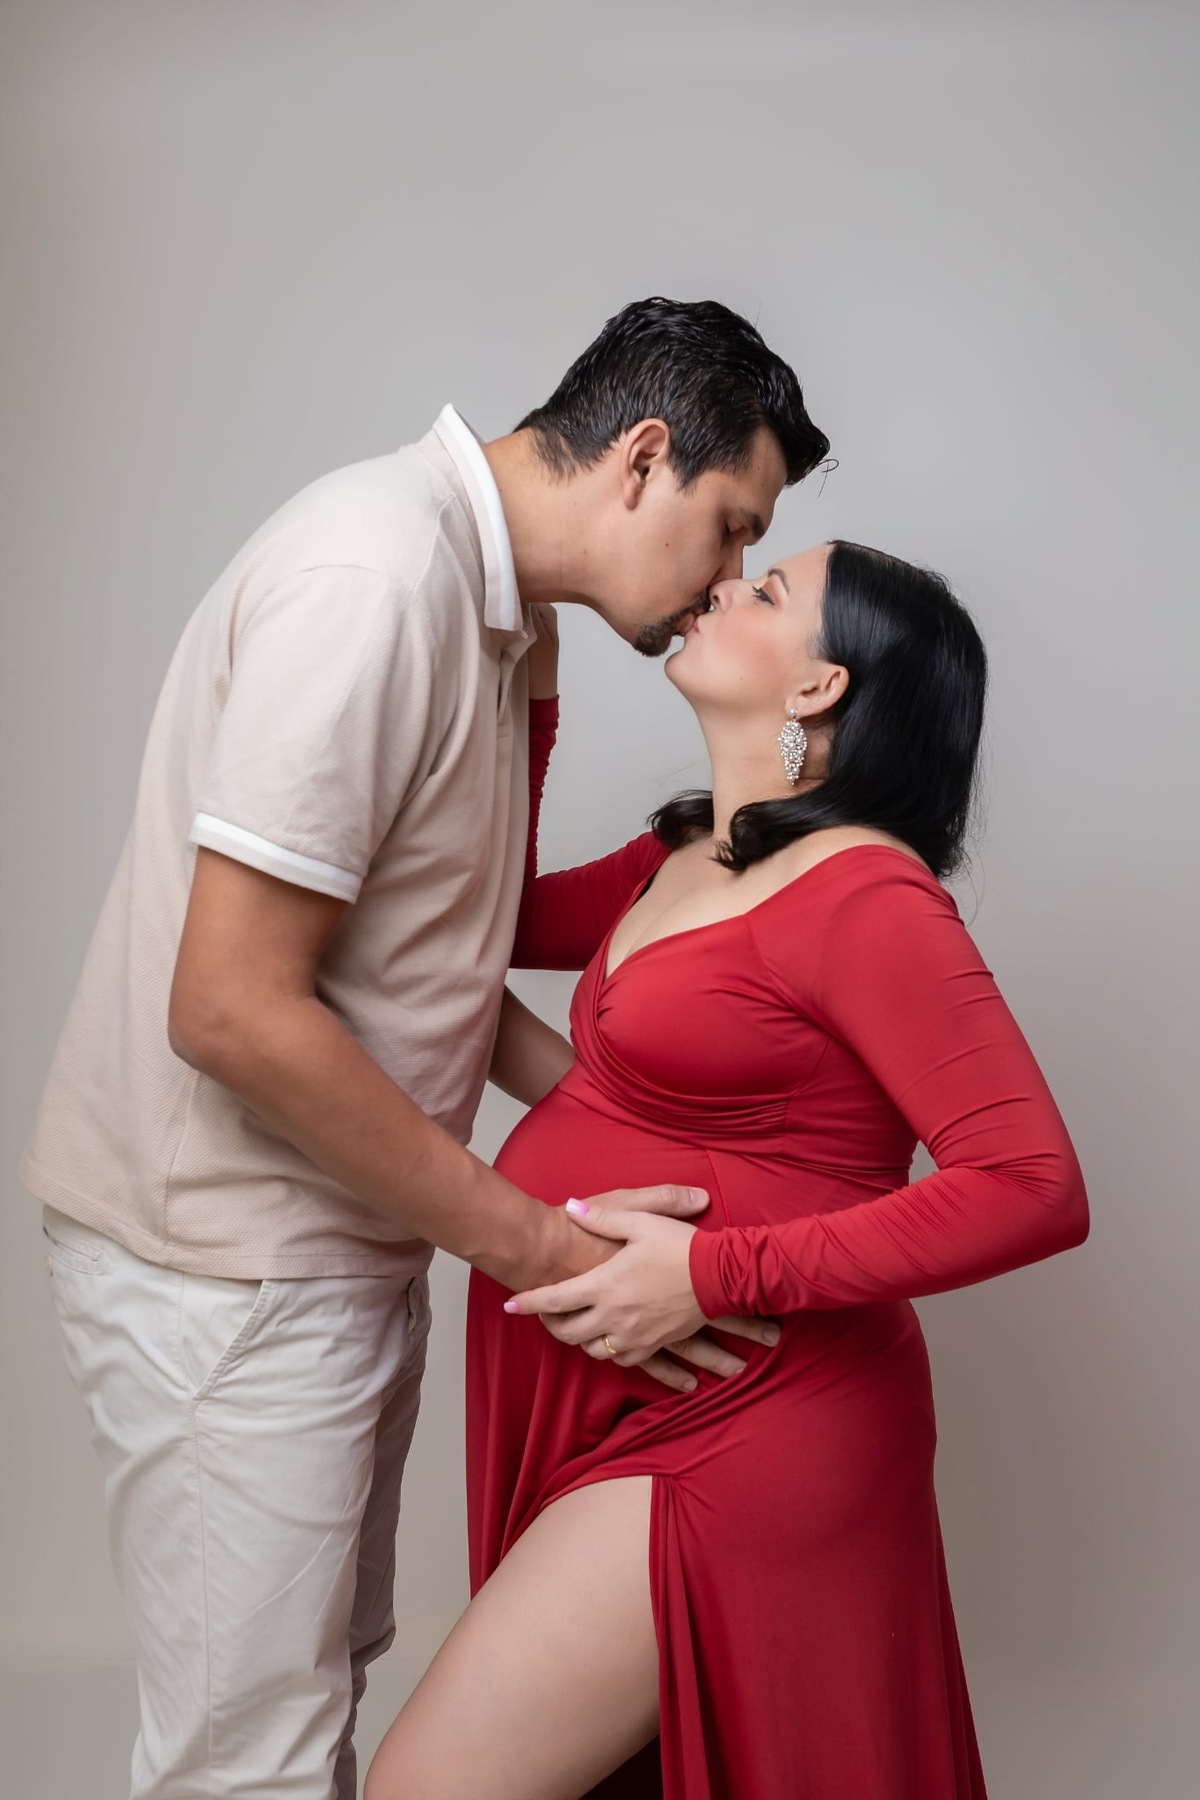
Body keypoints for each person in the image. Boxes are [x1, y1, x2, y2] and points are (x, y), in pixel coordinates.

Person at [25, 298, 830, 1800]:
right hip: (229, 1268)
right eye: (730, 530)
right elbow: (232, 1007)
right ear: (643, 458)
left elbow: (423, 960)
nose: (727, 580)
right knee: (244, 1764)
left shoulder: (494, 611)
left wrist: (641, 1144)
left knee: (296, 1713)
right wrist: (535, 1244)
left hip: (326, 1247)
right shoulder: (377, 576)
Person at [366, 540, 1090, 1800]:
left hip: (755, 1415)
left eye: (768, 594)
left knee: (430, 1786)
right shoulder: (683, 854)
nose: (720, 588)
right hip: (605, 1402)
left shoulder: (870, 893)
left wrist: (714, 1271)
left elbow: (1033, 1183)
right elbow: (474, 917)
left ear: (820, 685)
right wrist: (534, 708)